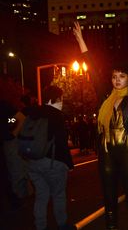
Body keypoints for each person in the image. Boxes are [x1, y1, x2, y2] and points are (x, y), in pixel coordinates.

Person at [73, 21, 128, 229]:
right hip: (105, 152)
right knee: (109, 202)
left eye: (121, 76)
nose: (117, 80)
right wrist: (80, 40)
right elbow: (94, 70)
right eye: (114, 77)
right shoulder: (105, 97)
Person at [26, 85, 75, 230]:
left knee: (41, 196)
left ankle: (40, 226)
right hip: (53, 161)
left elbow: (14, 121)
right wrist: (69, 164)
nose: (62, 101)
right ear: (57, 98)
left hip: (33, 161)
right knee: (58, 195)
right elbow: (61, 142)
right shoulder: (56, 115)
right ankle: (63, 225)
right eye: (61, 98)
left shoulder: (33, 111)